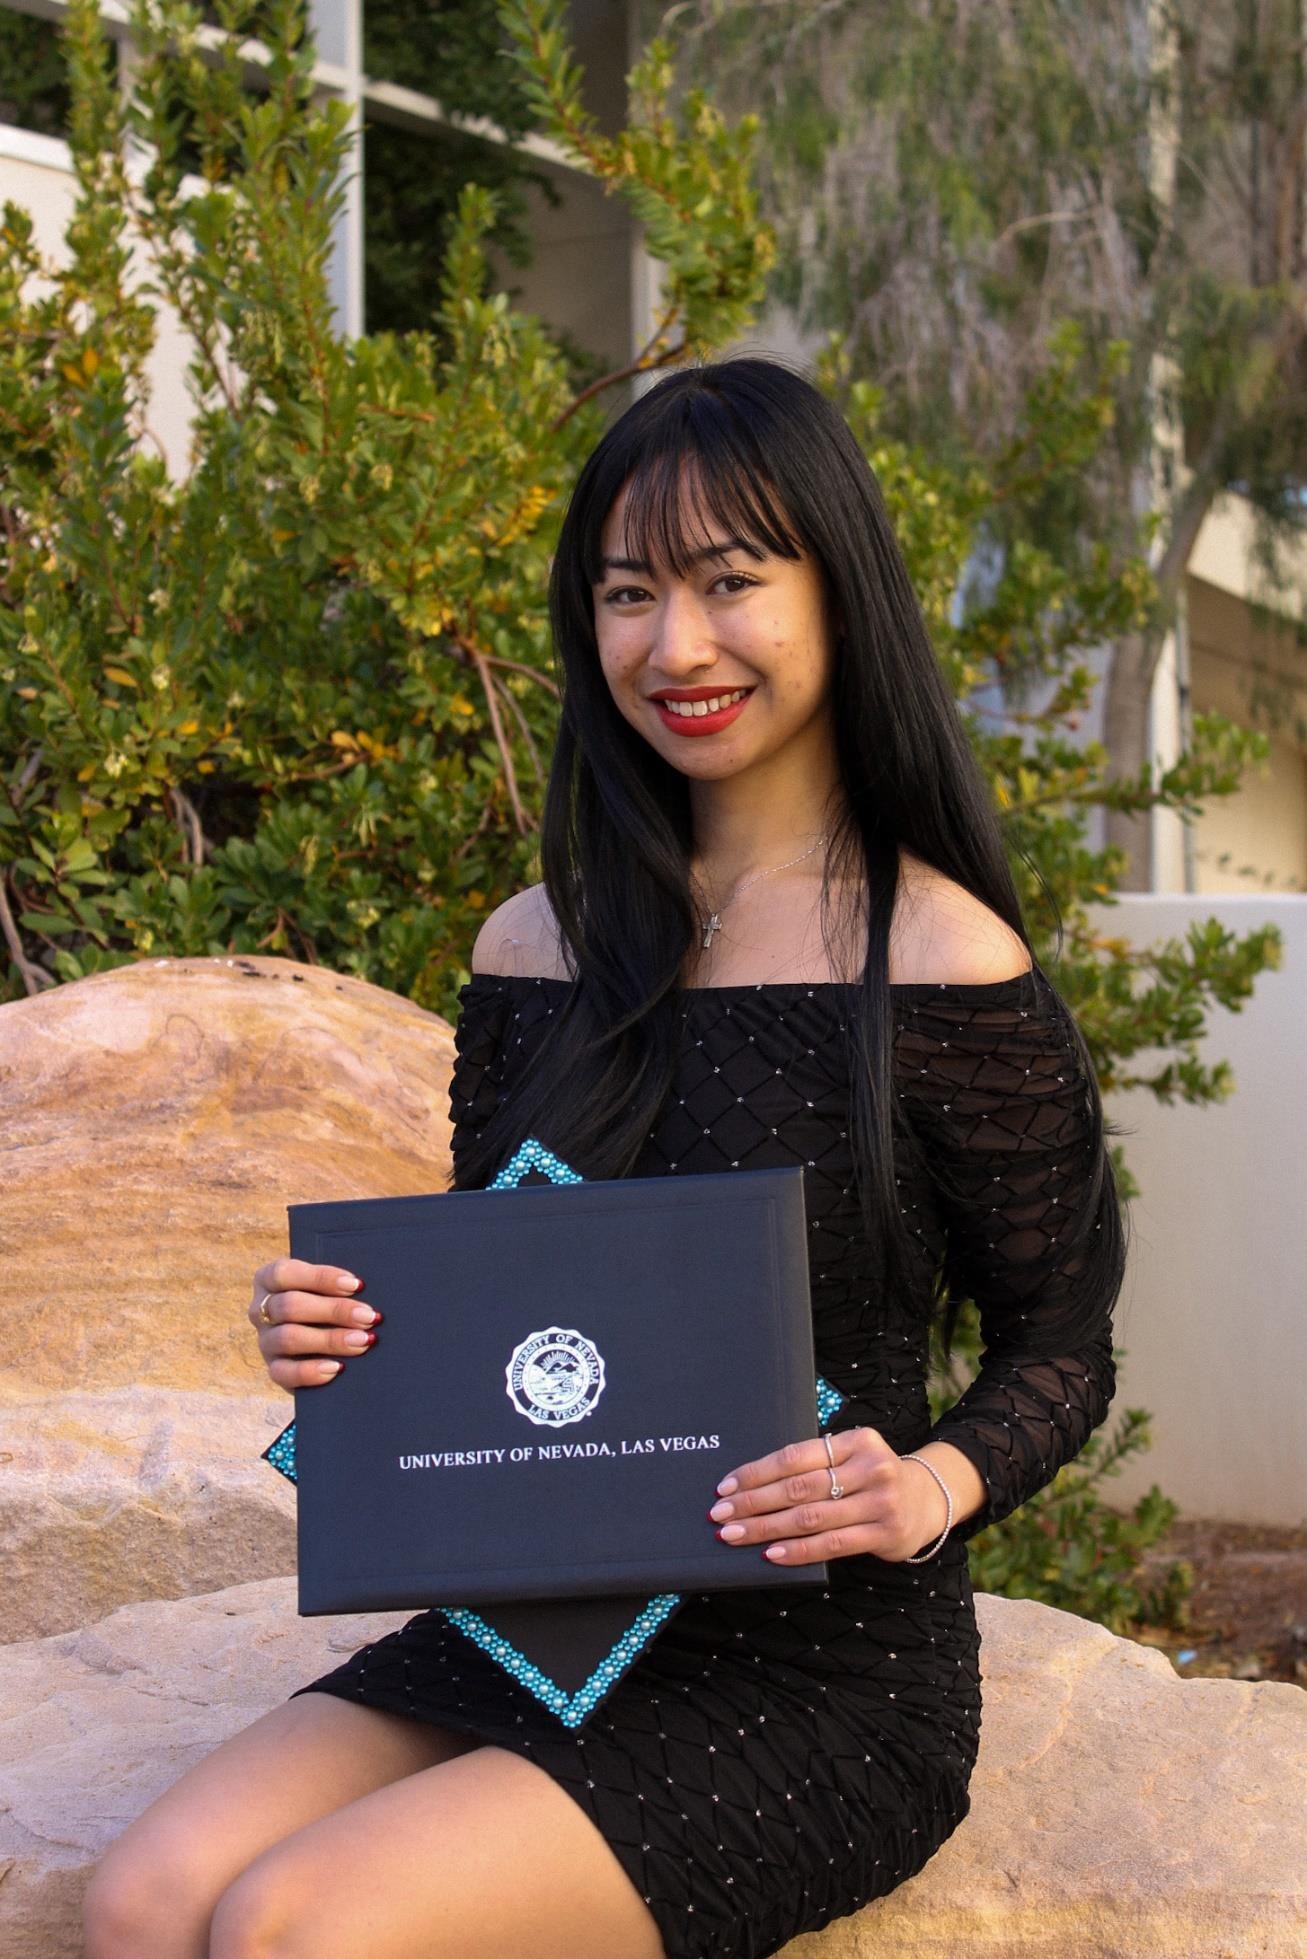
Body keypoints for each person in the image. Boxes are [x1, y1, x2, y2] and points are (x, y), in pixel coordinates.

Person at [83, 354, 1123, 1959]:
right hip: (532, 1620)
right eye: (629, 592)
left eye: (729, 583)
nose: (674, 645)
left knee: (300, 1929)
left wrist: (924, 1487)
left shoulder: (938, 955)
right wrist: (337, 1339)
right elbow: (494, 1290)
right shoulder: (532, 948)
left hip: (813, 1666)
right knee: (146, 1898)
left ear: (837, 594)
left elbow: (1061, 1340)